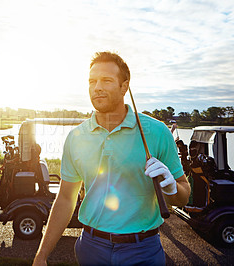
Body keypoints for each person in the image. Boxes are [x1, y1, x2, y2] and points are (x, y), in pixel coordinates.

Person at [33, 52, 191, 266]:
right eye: (92, 81)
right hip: (90, 247)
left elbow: (183, 197)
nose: (97, 87)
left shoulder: (157, 131)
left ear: (124, 87)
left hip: (143, 250)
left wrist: (171, 188)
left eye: (106, 80)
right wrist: (41, 256)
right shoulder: (76, 137)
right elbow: (65, 199)